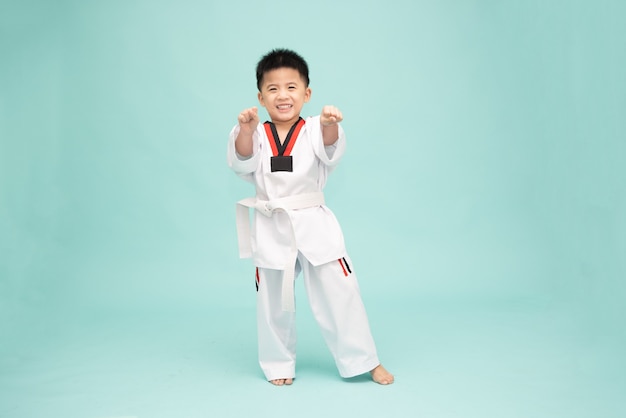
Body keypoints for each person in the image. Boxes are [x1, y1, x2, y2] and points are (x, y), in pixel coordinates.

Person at [227, 48, 393, 386]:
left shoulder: (317, 126)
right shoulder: (256, 131)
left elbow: (330, 150)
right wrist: (245, 130)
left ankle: (365, 360)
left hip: (313, 220)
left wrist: (331, 125)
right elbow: (241, 160)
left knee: (340, 290)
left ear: (307, 93)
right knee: (272, 299)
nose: (282, 95)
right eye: (272, 89)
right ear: (261, 97)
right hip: (273, 221)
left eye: (291, 87)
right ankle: (278, 365)